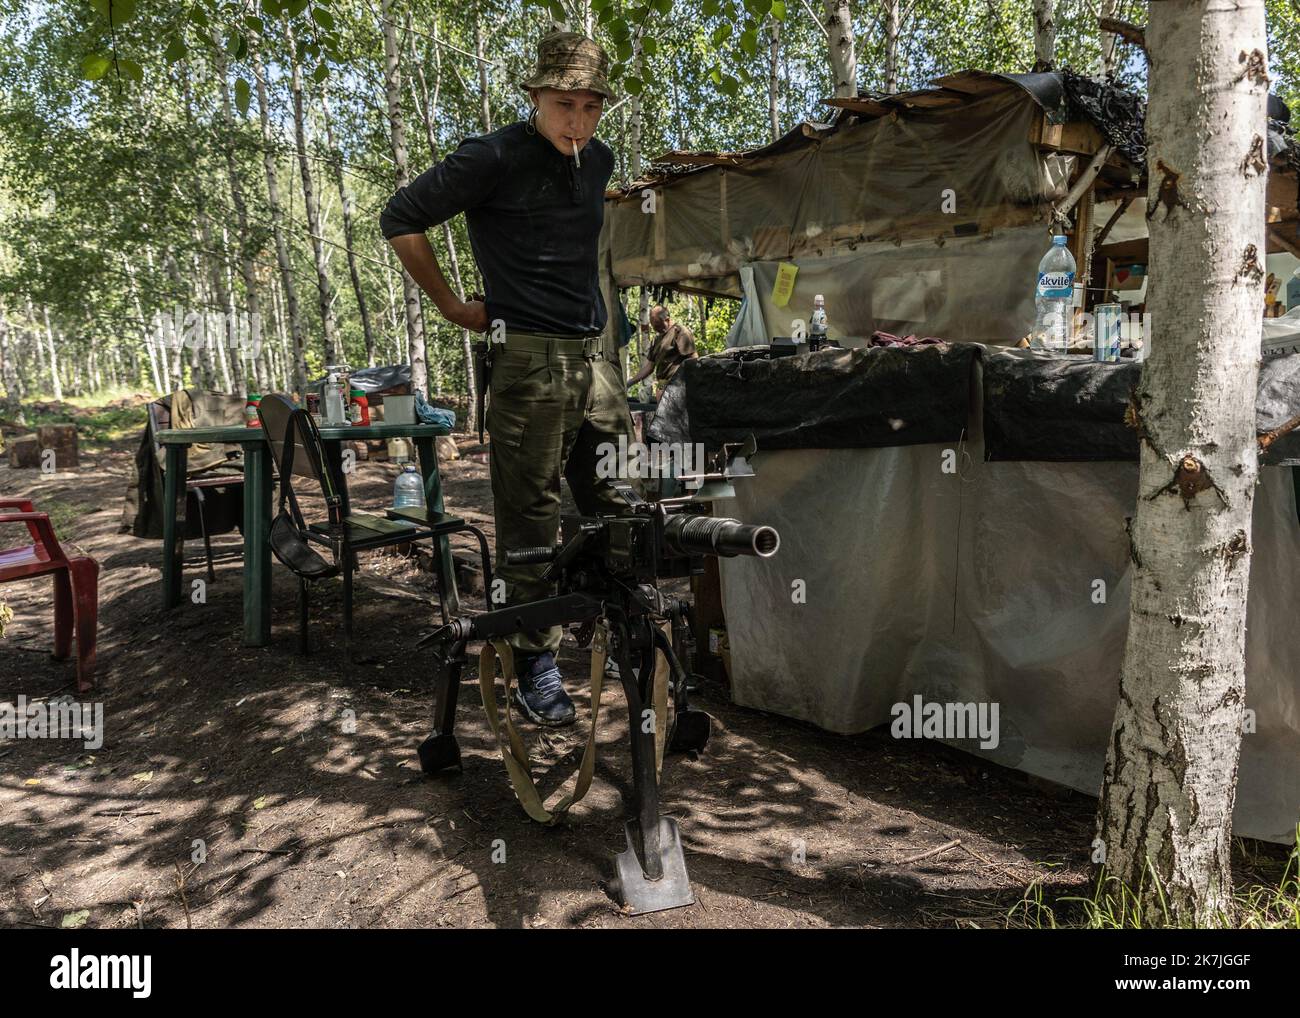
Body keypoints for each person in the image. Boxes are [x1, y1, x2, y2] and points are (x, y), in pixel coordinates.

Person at [381, 31, 635, 728]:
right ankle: (534, 663)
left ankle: (612, 631)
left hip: (595, 361)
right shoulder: (490, 155)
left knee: (617, 509)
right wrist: (454, 306)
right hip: (526, 361)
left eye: (590, 106)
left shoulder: (600, 160)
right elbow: (400, 216)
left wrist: (612, 343)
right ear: (533, 97)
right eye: (563, 104)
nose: (576, 121)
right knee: (532, 521)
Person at [627, 305, 699, 398]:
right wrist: (630, 382)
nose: (655, 329)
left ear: (667, 320)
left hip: (677, 387)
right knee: (660, 412)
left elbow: (694, 360)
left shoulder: (680, 332)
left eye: (657, 325)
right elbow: (649, 367)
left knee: (674, 412)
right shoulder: (656, 339)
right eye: (653, 326)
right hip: (662, 387)